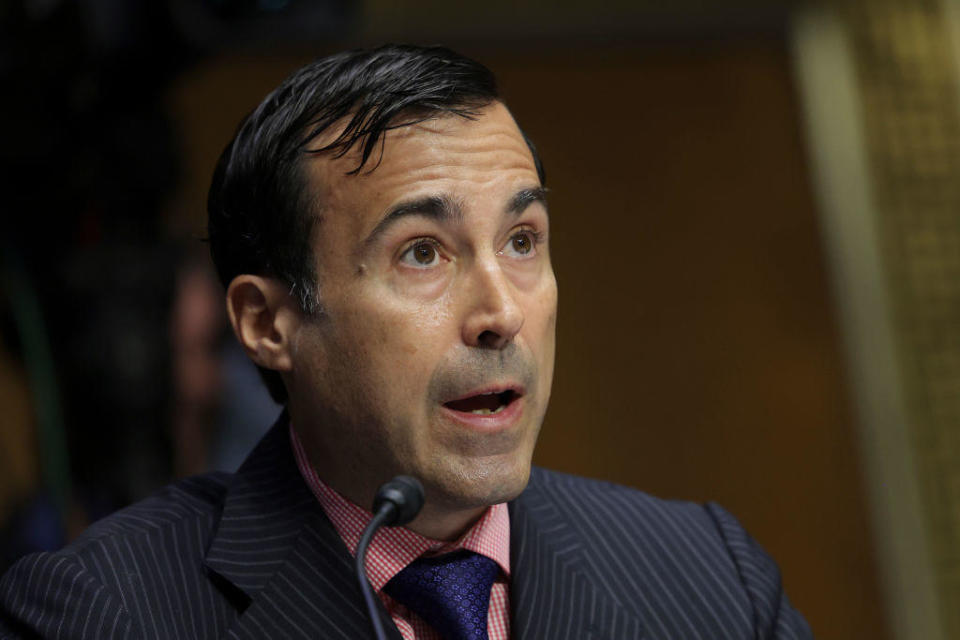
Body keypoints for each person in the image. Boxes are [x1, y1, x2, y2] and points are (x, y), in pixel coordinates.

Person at [0, 44, 812, 639]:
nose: (501, 312)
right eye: (423, 252)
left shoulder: (711, 578)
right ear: (267, 324)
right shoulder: (103, 614)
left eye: (523, 240)